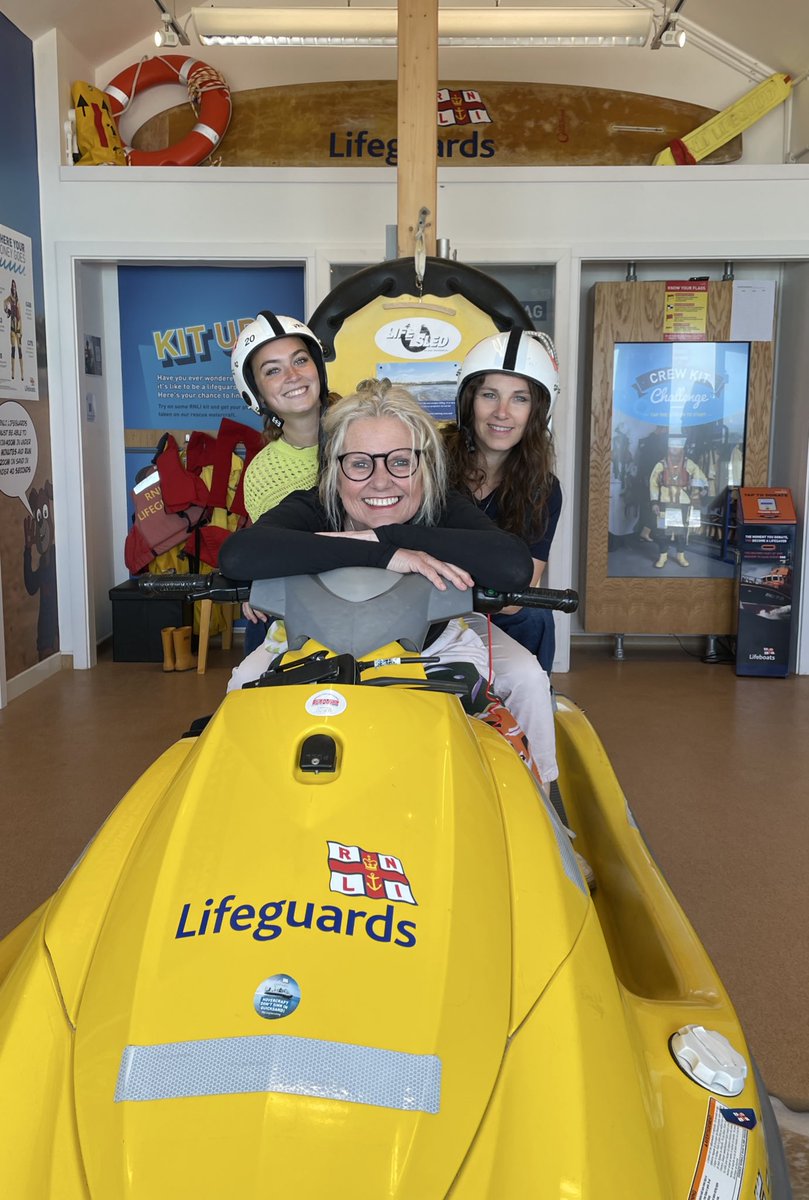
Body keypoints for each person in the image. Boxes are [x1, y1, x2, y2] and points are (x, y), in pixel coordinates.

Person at [219, 380, 560, 784]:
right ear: (335, 468)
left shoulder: (443, 503)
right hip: (310, 640)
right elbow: (238, 555)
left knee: (528, 679)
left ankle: (544, 801)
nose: (381, 482)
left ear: (424, 465)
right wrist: (387, 556)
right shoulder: (315, 504)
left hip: (438, 637)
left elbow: (512, 566)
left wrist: (385, 535)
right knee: (242, 681)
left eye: (400, 462)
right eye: (360, 463)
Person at [443, 328, 562, 678]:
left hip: (493, 613)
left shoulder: (544, 488)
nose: (502, 413)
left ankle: (530, 713)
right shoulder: (429, 464)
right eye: (489, 395)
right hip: (422, 607)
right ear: (468, 401)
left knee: (535, 614)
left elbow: (516, 593)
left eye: (520, 399)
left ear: (538, 410)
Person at [230, 311, 333, 653]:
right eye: (273, 370)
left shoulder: (369, 433)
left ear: (318, 368)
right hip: (298, 605)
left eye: (300, 360)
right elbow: (273, 554)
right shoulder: (262, 472)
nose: (292, 376)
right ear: (254, 392)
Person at [649, 434, 708, 568]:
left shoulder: (689, 463)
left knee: (681, 530)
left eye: (677, 446)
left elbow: (700, 475)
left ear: (682, 448)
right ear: (668, 448)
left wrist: (703, 488)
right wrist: (654, 502)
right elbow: (653, 483)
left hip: (683, 502)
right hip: (664, 502)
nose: (675, 449)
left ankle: (680, 555)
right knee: (662, 529)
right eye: (672, 446)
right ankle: (662, 555)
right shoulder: (661, 464)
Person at [3, 280, 22, 381]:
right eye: (12, 286)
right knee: (13, 351)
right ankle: (13, 374)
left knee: (20, 351)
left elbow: (20, 317)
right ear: (11, 287)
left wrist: (21, 331)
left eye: (15, 286)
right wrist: (7, 310)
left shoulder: (18, 301)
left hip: (18, 329)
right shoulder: (10, 298)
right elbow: (4, 302)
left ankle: (22, 375)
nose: (14, 288)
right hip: (12, 328)